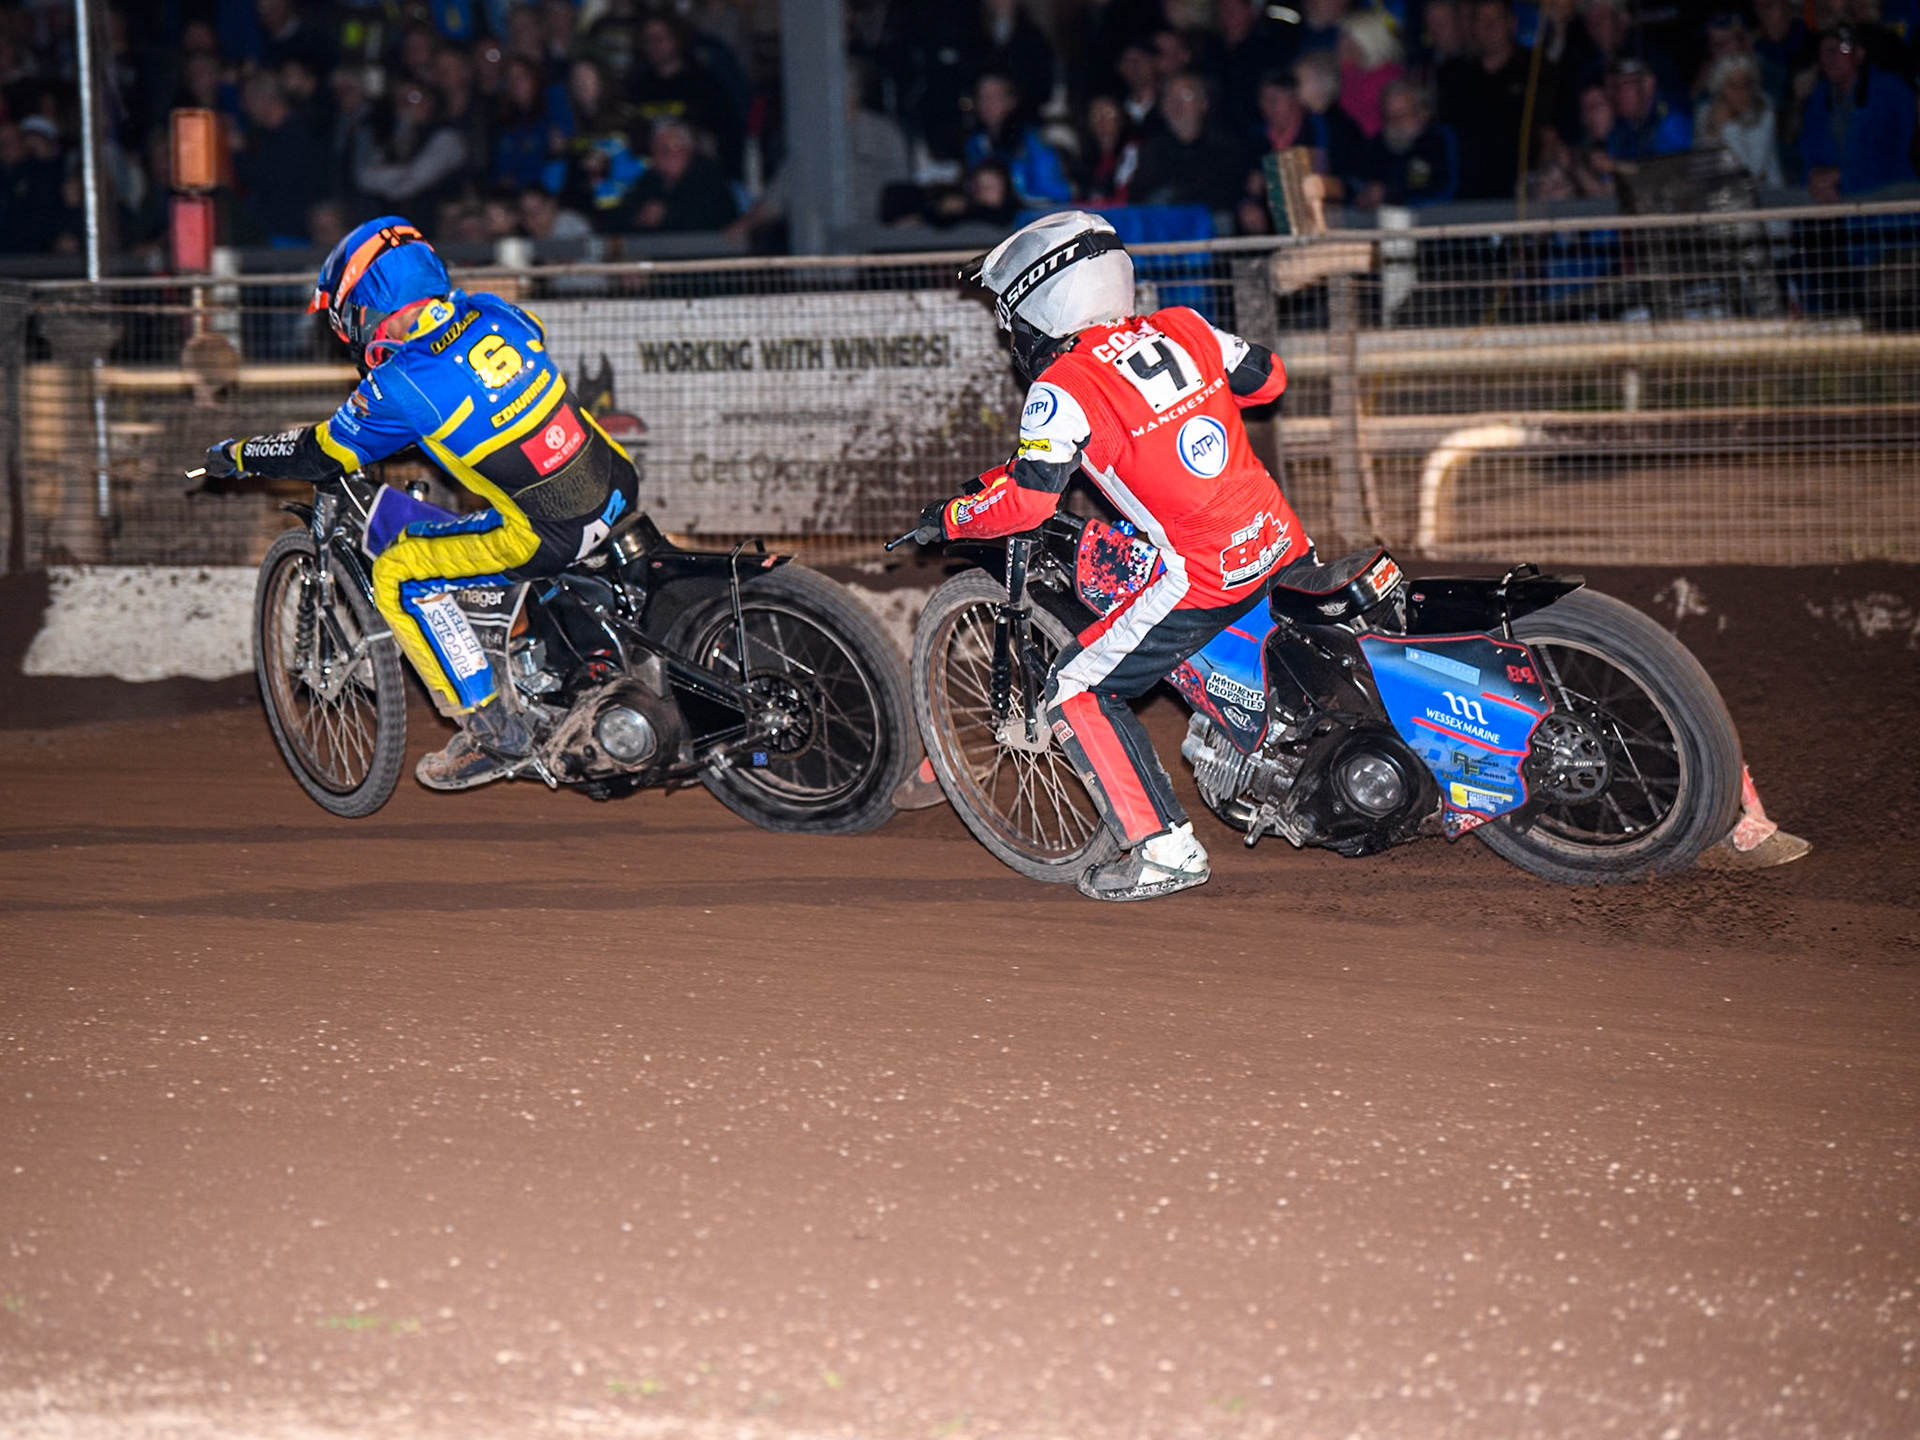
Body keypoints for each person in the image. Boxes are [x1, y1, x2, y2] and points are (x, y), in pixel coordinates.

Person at [905, 212, 1303, 901]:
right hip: (1279, 539)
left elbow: (1030, 506)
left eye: (1014, 318)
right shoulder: (1184, 326)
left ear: (1047, 302)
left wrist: (952, 517)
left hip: (1205, 574)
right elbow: (1268, 381)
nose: (1014, 336)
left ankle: (1164, 849)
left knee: (1076, 685)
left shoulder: (1063, 386)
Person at [201, 218, 640, 791]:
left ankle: (493, 732)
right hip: (615, 480)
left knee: (400, 572)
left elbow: (320, 454)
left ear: (366, 304)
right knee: (490, 505)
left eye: (348, 318)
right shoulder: (494, 312)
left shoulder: (399, 384)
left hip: (550, 531)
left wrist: (238, 455)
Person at [1800, 24, 1916, 199]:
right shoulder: (1819, 97)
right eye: (1825, 52)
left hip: (1889, 199)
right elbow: (1809, 154)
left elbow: (1895, 156)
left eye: (1842, 49)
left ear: (1859, 53)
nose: (1832, 58)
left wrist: (1843, 177)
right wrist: (1816, 179)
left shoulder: (1891, 90)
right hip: (1834, 202)